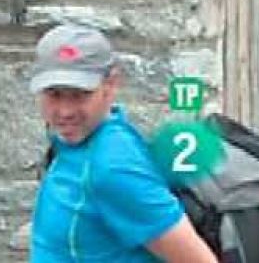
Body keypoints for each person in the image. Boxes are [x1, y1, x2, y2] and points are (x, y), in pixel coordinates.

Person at [29, 24, 216, 263]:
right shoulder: (76, 142)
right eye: (54, 94)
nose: (65, 111)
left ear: (111, 85)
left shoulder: (113, 167)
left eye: (80, 94)